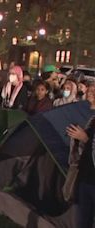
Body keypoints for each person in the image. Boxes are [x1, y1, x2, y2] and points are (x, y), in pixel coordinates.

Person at [66, 85, 95, 228]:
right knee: (82, 221)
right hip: (86, 177)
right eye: (91, 88)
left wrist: (85, 139)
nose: (91, 91)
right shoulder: (91, 119)